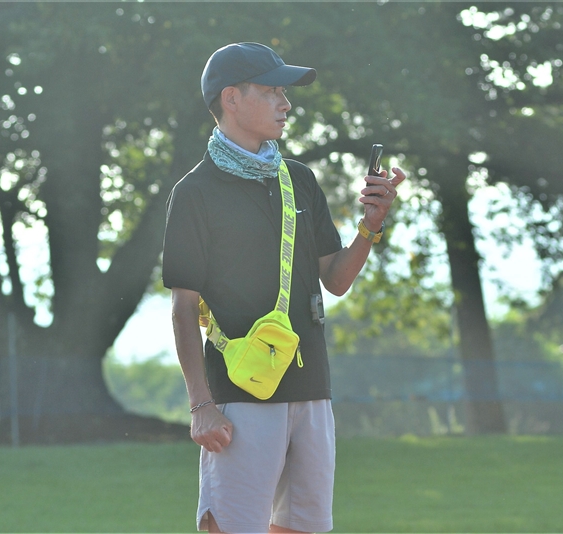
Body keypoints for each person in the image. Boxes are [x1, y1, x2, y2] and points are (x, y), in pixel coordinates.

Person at [162, 42, 406, 533]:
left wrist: (370, 226)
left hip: (313, 390)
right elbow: (182, 309)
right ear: (231, 98)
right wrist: (201, 405)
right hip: (239, 396)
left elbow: (335, 280)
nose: (286, 103)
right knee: (231, 528)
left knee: (304, 529)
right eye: (273, 91)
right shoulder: (194, 193)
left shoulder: (301, 179)